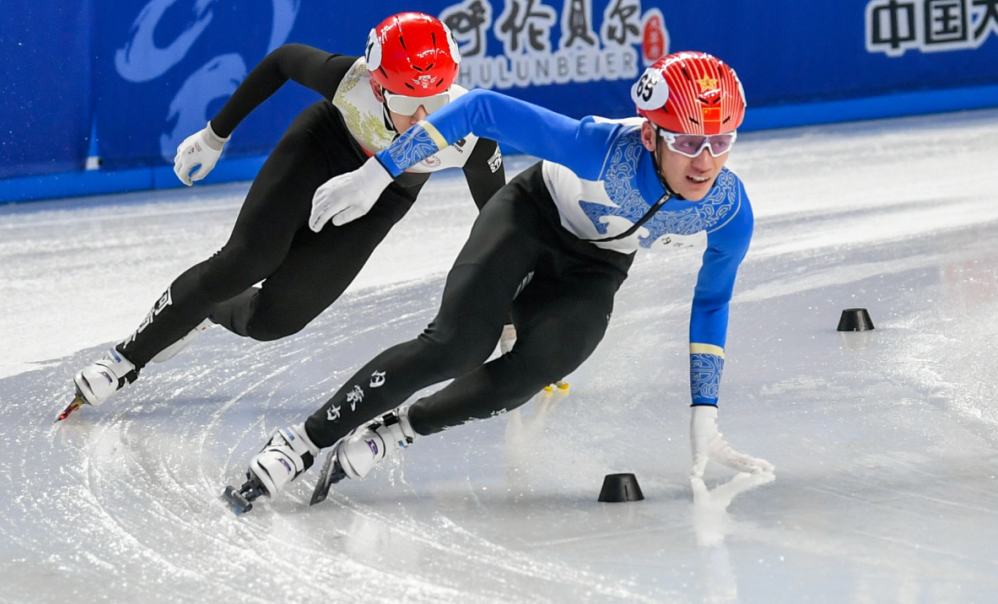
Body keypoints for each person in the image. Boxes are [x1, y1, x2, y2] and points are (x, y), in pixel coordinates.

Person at [231, 50, 773, 510]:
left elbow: (712, 301)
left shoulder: (728, 210)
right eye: (686, 143)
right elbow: (481, 108)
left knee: (541, 367)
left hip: (596, 266)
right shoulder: (600, 149)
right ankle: (301, 442)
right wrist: (378, 173)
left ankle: (398, 430)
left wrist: (706, 414)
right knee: (455, 347)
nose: (705, 162)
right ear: (651, 133)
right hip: (530, 216)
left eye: (721, 141)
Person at [59, 12, 507, 420]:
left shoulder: (471, 133)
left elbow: (500, 220)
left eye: (437, 97)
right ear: (376, 86)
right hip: (322, 147)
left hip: (383, 196)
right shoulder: (350, 81)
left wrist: (508, 312)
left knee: (275, 321)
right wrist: (215, 135)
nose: (423, 117)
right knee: (247, 260)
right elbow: (282, 61)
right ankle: (125, 359)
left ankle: (208, 308)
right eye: (407, 103)